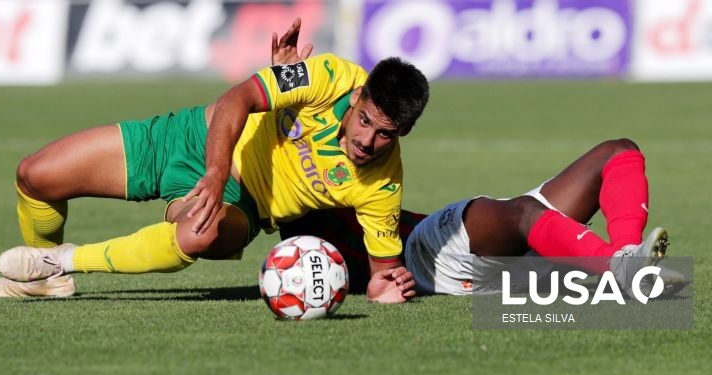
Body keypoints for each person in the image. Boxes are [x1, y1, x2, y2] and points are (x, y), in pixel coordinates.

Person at [0, 18, 429, 303]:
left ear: (402, 133)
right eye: (365, 120)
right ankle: (44, 281)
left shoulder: (382, 186)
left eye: (385, 134)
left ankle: (61, 263)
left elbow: (382, 274)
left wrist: (383, 289)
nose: (367, 141)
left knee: (199, 232)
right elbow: (237, 98)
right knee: (35, 175)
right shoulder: (330, 76)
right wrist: (215, 171)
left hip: (244, 203)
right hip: (189, 138)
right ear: (357, 95)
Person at [279, 139, 686, 297]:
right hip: (429, 256)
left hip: (489, 254)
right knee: (524, 213)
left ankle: (626, 258)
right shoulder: (299, 217)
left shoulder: (315, 170)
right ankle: (620, 267)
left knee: (619, 153)